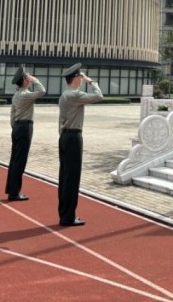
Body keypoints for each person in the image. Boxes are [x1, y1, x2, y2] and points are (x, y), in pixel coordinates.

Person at [58, 63, 102, 227]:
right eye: (81, 76)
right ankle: (68, 217)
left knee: (65, 176)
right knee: (72, 178)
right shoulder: (75, 94)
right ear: (75, 78)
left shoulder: (64, 95)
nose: (82, 78)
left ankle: (64, 212)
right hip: (73, 137)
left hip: (64, 136)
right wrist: (92, 82)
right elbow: (99, 96)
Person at [5, 66, 46, 202]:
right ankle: (15, 193)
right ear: (25, 80)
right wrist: (35, 80)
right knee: (20, 161)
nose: (29, 78)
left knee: (14, 159)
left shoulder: (16, 95)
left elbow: (12, 114)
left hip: (17, 126)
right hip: (24, 127)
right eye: (27, 77)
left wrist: (14, 126)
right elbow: (42, 91)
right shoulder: (25, 95)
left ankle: (11, 189)